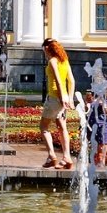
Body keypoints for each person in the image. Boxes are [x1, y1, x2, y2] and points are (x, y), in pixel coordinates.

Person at [40, 38, 75, 169]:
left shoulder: (53, 61)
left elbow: (59, 81)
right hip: (63, 98)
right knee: (62, 127)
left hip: (55, 98)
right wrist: (69, 98)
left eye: (44, 49)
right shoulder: (64, 60)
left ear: (47, 48)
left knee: (43, 127)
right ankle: (67, 157)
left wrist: (61, 97)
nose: (44, 52)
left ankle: (51, 156)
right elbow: (71, 81)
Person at [83, 89, 107, 165]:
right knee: (93, 158)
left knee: (100, 158)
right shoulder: (92, 96)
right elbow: (87, 112)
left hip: (103, 129)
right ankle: (93, 176)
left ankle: (101, 175)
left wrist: (105, 108)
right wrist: (86, 105)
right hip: (92, 129)